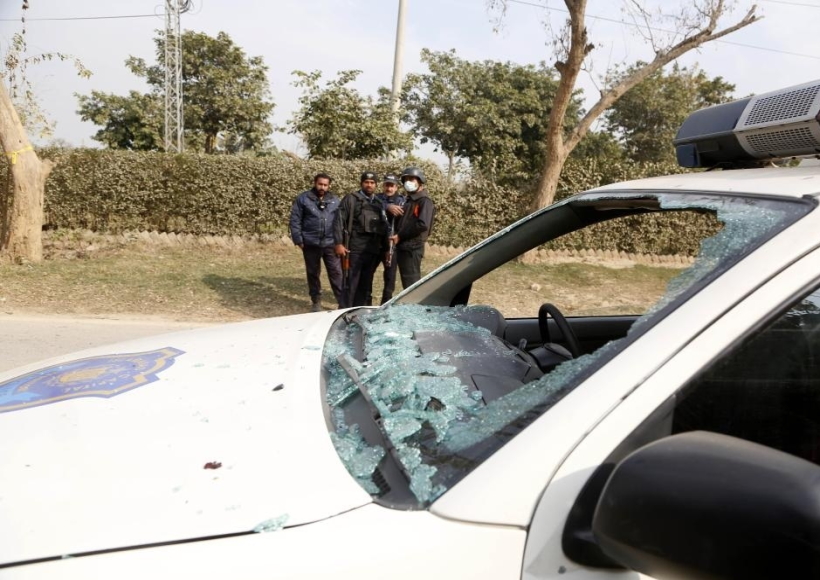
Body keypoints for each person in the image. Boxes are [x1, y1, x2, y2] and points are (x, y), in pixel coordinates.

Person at [289, 172, 343, 312]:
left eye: (325, 185)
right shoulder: (303, 199)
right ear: (315, 183)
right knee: (313, 273)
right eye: (320, 184)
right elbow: (295, 220)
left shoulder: (335, 201)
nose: (322, 187)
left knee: (336, 273)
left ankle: (342, 301)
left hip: (331, 243)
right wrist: (298, 239)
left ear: (329, 186)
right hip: (310, 243)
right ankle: (316, 301)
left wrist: (340, 241)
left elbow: (340, 222)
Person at [333, 171, 387, 308]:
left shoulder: (379, 203)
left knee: (366, 283)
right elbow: (338, 221)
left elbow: (383, 227)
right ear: (361, 183)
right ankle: (344, 311)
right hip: (354, 248)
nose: (369, 185)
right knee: (351, 282)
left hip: (372, 249)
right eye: (366, 182)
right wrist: (338, 243)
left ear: (376, 185)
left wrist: (385, 248)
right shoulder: (351, 199)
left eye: (372, 183)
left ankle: (360, 310)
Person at [390, 166, 436, 290]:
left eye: (412, 179)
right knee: (407, 281)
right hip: (404, 247)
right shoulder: (408, 201)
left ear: (420, 181)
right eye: (406, 179)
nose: (408, 182)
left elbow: (422, 224)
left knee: (412, 283)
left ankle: (415, 308)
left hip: (412, 248)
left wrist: (400, 235)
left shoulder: (424, 201)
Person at [375, 173, 406, 304]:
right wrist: (387, 207)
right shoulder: (376, 198)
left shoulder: (402, 200)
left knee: (390, 278)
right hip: (374, 243)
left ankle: (385, 304)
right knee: (367, 274)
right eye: (387, 185)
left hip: (391, 244)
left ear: (396, 187)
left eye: (392, 186)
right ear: (383, 185)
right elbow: (371, 205)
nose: (389, 188)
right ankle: (364, 301)